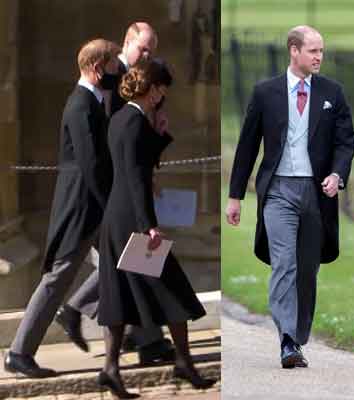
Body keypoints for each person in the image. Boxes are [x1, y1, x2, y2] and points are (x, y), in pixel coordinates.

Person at [225, 25, 354, 368]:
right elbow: (248, 145)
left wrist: (337, 174)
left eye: (321, 51)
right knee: (284, 263)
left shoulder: (333, 92)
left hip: (316, 193)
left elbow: (347, 141)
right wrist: (235, 196)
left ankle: (297, 337)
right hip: (278, 191)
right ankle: (286, 340)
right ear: (294, 51)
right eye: (313, 51)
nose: (319, 57)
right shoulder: (265, 92)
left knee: (307, 270)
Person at [55, 22, 174, 366]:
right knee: (130, 259)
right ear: (127, 42)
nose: (148, 55)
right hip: (110, 187)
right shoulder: (111, 76)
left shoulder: (134, 78)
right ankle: (84, 314)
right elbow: (114, 138)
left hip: (125, 181)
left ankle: (144, 339)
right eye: (144, 48)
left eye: (153, 50)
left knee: (132, 262)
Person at [96, 59, 215, 398]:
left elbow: (140, 160)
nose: (163, 96)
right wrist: (149, 225)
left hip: (117, 217)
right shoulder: (133, 121)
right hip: (132, 220)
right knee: (174, 288)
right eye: (162, 90)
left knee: (120, 295)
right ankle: (182, 362)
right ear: (152, 89)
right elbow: (136, 177)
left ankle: (111, 369)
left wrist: (159, 131)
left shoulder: (123, 118)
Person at [3, 39, 120, 379]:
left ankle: (78, 312)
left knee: (128, 263)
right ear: (97, 68)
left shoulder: (94, 101)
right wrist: (114, 205)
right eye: (113, 67)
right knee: (58, 277)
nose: (118, 72)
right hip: (82, 209)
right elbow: (91, 165)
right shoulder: (81, 105)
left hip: (94, 207)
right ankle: (19, 352)